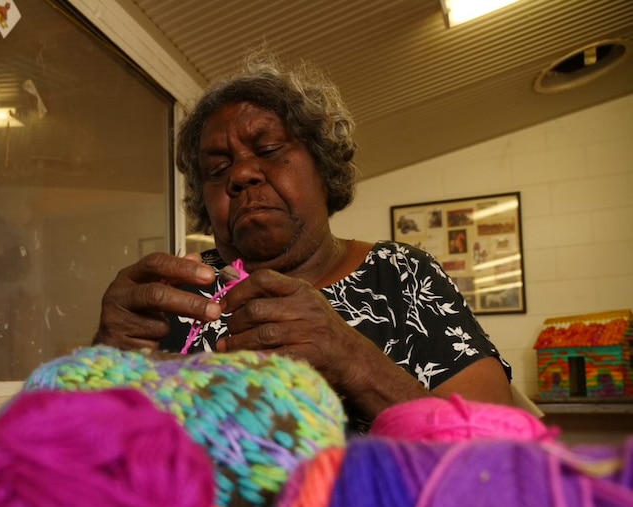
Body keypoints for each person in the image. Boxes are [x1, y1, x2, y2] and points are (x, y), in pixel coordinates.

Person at [93, 54, 512, 433]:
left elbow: (497, 452)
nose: (240, 176)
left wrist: (351, 357)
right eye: (217, 168)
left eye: (270, 149)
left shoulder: (401, 273)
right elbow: (82, 454)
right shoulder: (174, 295)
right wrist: (104, 361)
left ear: (323, 167)